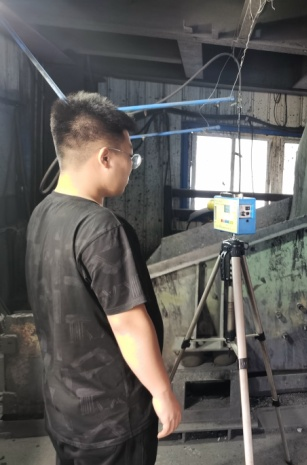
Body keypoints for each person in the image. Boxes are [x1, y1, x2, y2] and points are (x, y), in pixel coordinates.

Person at [25, 91, 181, 465]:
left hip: (65, 412)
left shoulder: (41, 214)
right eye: (131, 156)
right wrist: (162, 392)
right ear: (106, 157)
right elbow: (128, 325)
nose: (132, 166)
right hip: (113, 421)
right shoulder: (102, 228)